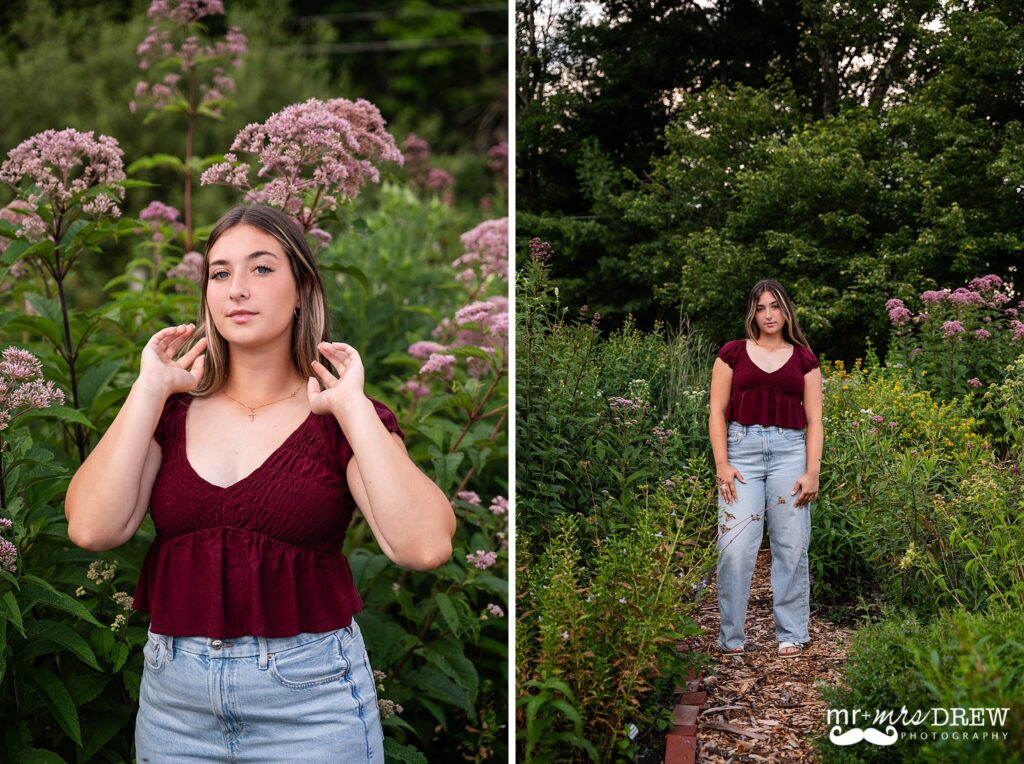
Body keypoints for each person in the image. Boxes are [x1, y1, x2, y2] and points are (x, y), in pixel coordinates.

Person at [65, 204, 456, 761]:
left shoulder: (339, 418)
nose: (237, 289)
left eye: (262, 269)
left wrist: (352, 407)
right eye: (220, 273)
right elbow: (91, 528)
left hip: (312, 707)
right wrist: (149, 389)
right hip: (174, 712)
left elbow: (425, 545)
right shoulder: (168, 414)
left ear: (302, 290)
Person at [708, 279, 823, 659]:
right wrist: (722, 463)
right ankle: (732, 639)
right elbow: (716, 412)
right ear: (751, 313)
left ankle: (792, 632)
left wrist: (812, 471)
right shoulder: (732, 354)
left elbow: (815, 421)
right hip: (741, 455)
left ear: (786, 310)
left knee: (791, 546)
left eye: (775, 306)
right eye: (760, 307)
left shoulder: (804, 359)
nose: (768, 314)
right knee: (735, 546)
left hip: (791, 453)